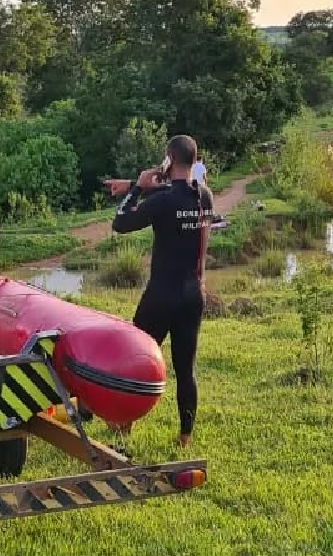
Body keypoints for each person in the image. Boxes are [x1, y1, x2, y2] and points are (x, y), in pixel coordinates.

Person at [104, 135, 214, 448]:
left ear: (168, 158)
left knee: (134, 359)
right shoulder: (203, 195)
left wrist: (137, 188)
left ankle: (124, 423)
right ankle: (185, 435)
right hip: (193, 293)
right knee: (185, 367)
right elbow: (201, 235)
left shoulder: (162, 201)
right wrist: (133, 183)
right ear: (195, 159)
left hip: (161, 295)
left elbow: (120, 224)